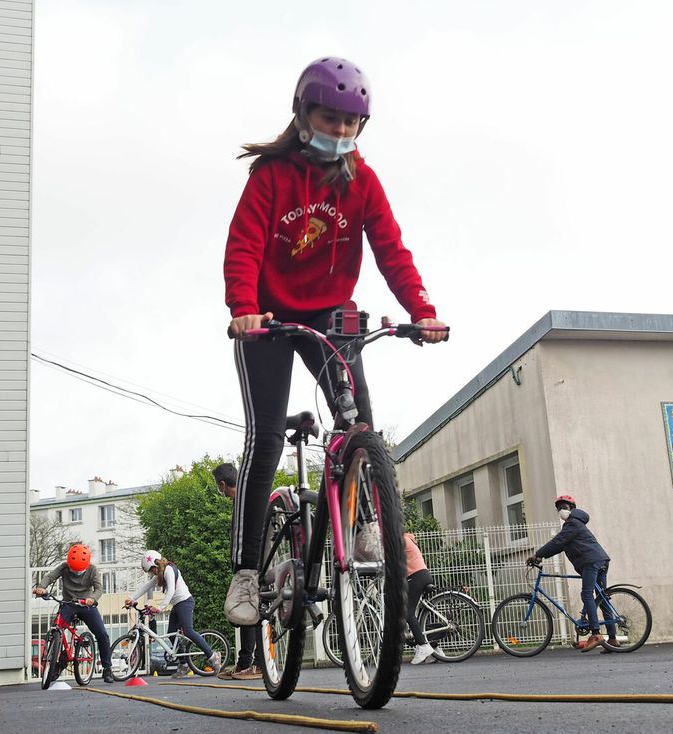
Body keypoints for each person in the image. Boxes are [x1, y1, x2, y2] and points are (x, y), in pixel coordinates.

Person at [222, 56, 448, 626]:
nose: (340, 130)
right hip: (268, 317)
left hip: (328, 312)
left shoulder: (363, 181)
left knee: (359, 422)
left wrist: (421, 312)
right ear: (304, 116)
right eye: (330, 118)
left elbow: (391, 251)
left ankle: (371, 527)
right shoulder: (271, 178)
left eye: (351, 122)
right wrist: (244, 310)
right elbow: (244, 247)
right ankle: (247, 573)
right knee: (267, 437)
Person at [527, 495, 618, 652]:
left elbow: (557, 541)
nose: (561, 510)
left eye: (565, 506)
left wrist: (537, 554)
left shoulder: (573, 524)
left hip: (591, 562)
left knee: (587, 595)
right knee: (602, 599)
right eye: (559, 508)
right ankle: (613, 639)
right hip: (599, 560)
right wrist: (542, 556)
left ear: (572, 508)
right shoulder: (573, 526)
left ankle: (596, 634)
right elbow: (558, 546)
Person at [125, 550, 222, 677]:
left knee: (188, 631)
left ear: (156, 564)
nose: (152, 573)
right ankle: (184, 665)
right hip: (177, 605)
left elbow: (171, 590)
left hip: (185, 602)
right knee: (171, 633)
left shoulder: (169, 570)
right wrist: (132, 598)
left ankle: (213, 656)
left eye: (151, 570)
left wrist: (160, 608)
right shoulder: (160, 573)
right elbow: (146, 586)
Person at [32, 543, 115, 683]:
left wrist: (92, 599)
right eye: (72, 569)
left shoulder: (92, 569)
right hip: (68, 604)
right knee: (56, 630)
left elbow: (99, 589)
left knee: (102, 634)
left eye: (78, 571)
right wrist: (41, 587)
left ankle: (107, 668)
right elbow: (50, 577)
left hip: (86, 605)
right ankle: (58, 664)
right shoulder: (64, 566)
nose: (75, 572)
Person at [212, 463, 264, 679]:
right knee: (247, 614)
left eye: (218, 486)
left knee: (257, 613)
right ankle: (245, 664)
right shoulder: (241, 500)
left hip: (253, 565)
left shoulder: (245, 500)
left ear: (223, 484)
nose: (219, 490)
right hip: (248, 564)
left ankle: (259, 665)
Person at [404, 532, 437, 665]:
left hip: (416, 576)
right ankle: (434, 648)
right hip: (423, 574)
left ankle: (423, 646)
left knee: (408, 612)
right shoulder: (406, 538)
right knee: (420, 614)